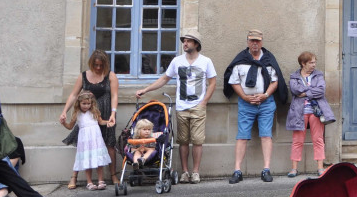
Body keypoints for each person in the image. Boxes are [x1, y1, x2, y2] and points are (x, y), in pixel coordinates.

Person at [135, 29, 216, 184]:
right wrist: (145, 90)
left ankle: (196, 172)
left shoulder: (206, 61)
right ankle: (185, 172)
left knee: (198, 141)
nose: (184, 44)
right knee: (183, 140)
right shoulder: (177, 61)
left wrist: (204, 101)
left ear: (196, 44)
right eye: (184, 41)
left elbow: (213, 83)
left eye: (188, 41)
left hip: (198, 106)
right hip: (182, 107)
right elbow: (165, 78)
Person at [223, 30, 288, 184]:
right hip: (246, 104)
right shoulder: (240, 60)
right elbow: (233, 82)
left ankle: (266, 170)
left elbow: (275, 81)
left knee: (266, 135)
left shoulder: (269, 59)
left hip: (266, 103)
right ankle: (237, 171)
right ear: (247, 42)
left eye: (257, 41)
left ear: (262, 42)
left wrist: (265, 95)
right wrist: (245, 96)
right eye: (252, 40)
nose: (255, 43)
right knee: (242, 136)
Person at [59, 50, 119, 186]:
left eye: (101, 65)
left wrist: (113, 114)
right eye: (96, 65)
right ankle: (74, 177)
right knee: (84, 145)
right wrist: (64, 111)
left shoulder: (111, 75)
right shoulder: (84, 76)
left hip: (105, 113)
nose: (98, 68)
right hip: (86, 114)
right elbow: (74, 95)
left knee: (109, 144)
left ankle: (113, 175)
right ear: (91, 63)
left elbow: (115, 96)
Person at [286, 51, 335, 177]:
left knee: (318, 139)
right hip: (299, 112)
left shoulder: (318, 75)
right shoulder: (294, 77)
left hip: (315, 112)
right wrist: (311, 90)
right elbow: (294, 89)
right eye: (311, 62)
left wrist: (305, 93)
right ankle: (294, 169)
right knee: (297, 141)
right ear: (303, 63)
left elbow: (321, 90)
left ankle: (320, 168)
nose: (314, 65)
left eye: (314, 62)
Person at [62, 90, 111, 190]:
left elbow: (101, 122)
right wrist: (63, 123)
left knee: (99, 160)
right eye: (84, 103)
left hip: (96, 138)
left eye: (88, 103)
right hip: (85, 141)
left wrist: (108, 122)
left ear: (92, 103)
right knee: (87, 160)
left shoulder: (95, 112)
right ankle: (89, 182)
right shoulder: (77, 114)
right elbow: (70, 126)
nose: (86, 106)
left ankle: (101, 180)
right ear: (78, 103)